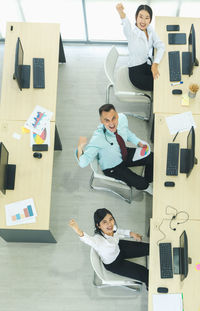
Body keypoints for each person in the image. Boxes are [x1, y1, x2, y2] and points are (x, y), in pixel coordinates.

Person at [76, 104, 153, 195]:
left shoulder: (122, 118)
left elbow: (127, 133)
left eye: (114, 118)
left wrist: (138, 142)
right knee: (142, 183)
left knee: (151, 157)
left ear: (117, 115)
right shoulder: (98, 139)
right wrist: (79, 147)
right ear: (101, 121)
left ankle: (150, 179)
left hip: (123, 152)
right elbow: (83, 162)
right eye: (107, 120)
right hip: (112, 167)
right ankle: (147, 186)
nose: (112, 123)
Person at [69, 208, 149, 289]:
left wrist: (132, 234)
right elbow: (87, 239)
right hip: (114, 263)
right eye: (104, 222)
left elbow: (118, 231)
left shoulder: (112, 228)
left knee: (149, 248)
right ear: (98, 225)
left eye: (111, 219)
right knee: (146, 274)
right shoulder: (98, 240)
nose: (109, 224)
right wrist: (77, 230)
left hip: (119, 247)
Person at [116, 3, 165, 91]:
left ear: (150, 20)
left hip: (146, 65)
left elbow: (161, 46)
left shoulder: (150, 30)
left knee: (163, 77)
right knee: (160, 86)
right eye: (141, 17)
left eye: (147, 18)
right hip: (136, 73)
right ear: (136, 17)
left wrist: (155, 64)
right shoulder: (132, 34)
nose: (143, 21)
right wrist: (121, 12)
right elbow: (126, 25)